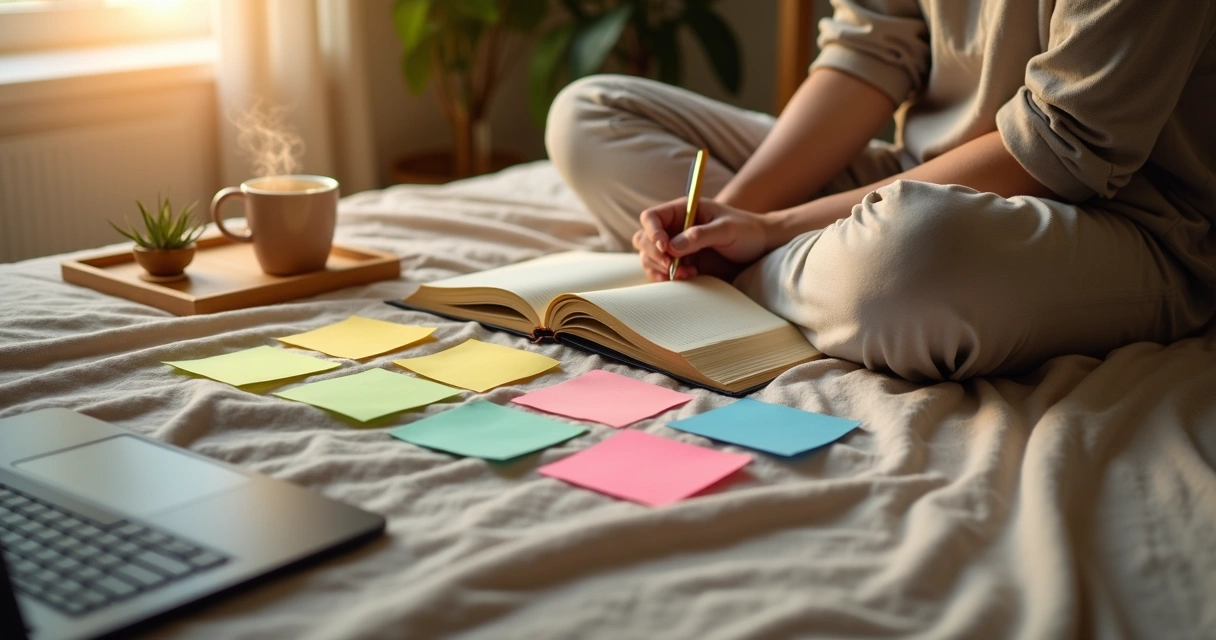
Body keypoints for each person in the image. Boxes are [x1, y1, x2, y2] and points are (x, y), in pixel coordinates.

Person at [544, 0, 1216, 381]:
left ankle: (795, 271)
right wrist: (733, 218)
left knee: (906, 256)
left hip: (1132, 222)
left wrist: (775, 228)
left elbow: (1061, 144)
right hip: (917, 173)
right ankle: (796, 275)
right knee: (590, 115)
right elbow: (871, 49)